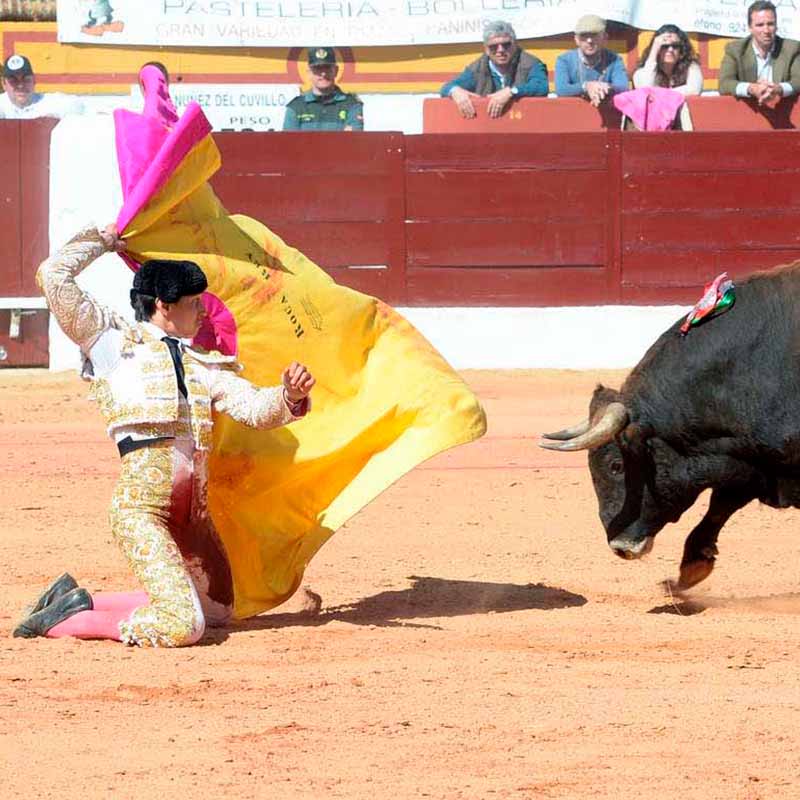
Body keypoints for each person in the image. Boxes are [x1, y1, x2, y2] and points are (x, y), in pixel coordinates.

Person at [14, 224, 315, 647]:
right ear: (163, 304)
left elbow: (254, 410)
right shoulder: (111, 342)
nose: (203, 312)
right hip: (143, 510)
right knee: (183, 626)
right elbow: (53, 277)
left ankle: (76, 601)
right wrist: (105, 238)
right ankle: (58, 623)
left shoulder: (203, 362)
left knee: (217, 612)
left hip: (194, 519)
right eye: (194, 303)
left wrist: (289, 395)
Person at [439, 20, 548, 119]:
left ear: (515, 45)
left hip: (525, 124)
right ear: (486, 49)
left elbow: (541, 87)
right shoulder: (477, 68)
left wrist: (511, 92)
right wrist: (455, 91)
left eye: (506, 45)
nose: (500, 50)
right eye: (493, 46)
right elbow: (446, 87)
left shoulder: (531, 63)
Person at [718, 0, 800, 105]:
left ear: (776, 26)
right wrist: (751, 88)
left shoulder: (791, 48)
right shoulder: (735, 50)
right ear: (750, 28)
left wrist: (778, 88)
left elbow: (798, 80)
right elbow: (724, 84)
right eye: (760, 25)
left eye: (770, 24)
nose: (766, 30)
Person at [555, 15, 629, 107]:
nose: (589, 40)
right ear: (576, 40)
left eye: (594, 35)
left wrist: (605, 87)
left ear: (605, 38)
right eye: (584, 36)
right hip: (573, 115)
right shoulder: (564, 60)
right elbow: (561, 90)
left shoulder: (615, 60)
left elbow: (623, 87)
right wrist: (586, 86)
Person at [283, 47, 363, 131]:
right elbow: (289, 142)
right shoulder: (296, 107)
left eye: (327, 68)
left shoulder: (351, 105)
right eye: (318, 69)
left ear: (336, 70)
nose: (323, 74)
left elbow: (353, 141)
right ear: (309, 73)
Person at [0, 54, 84, 119]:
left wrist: (56, 115)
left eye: (26, 79)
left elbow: (81, 106)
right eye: (13, 81)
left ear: (34, 81)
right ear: (4, 84)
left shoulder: (47, 103)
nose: (21, 85)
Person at [633, 24, 703, 95]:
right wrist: (654, 51)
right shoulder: (642, 71)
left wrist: (660, 92)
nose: (670, 49)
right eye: (665, 46)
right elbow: (645, 89)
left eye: (675, 46)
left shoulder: (691, 66)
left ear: (681, 50)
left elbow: (694, 90)